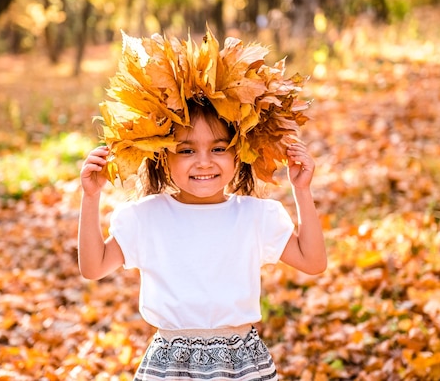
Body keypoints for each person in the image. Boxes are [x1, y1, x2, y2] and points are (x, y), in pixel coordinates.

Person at [78, 28, 327, 381]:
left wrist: (303, 191)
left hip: (241, 363)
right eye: (187, 150)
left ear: (239, 152)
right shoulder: (147, 217)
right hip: (170, 366)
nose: (204, 162)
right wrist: (91, 198)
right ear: (162, 157)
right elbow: (93, 266)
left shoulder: (255, 216)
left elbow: (313, 262)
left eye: (219, 148)